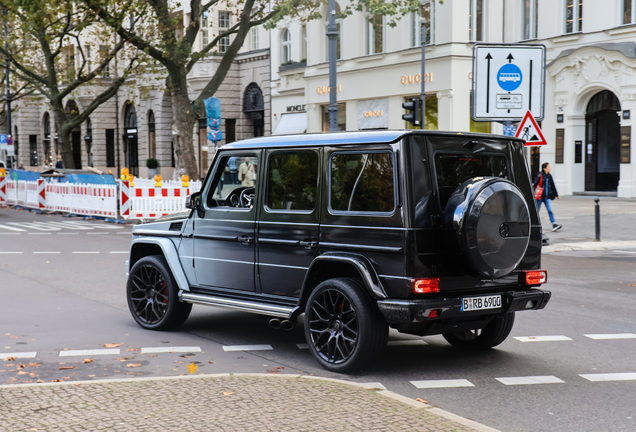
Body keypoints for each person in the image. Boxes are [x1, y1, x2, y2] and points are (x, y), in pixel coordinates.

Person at [533, 162, 562, 232]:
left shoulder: (549, 176)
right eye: (548, 167)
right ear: (544, 169)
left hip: (547, 197)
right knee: (536, 211)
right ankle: (534, 225)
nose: (550, 168)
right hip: (539, 197)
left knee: (550, 210)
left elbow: (553, 186)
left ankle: (554, 224)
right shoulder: (540, 175)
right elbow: (534, 185)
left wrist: (556, 194)